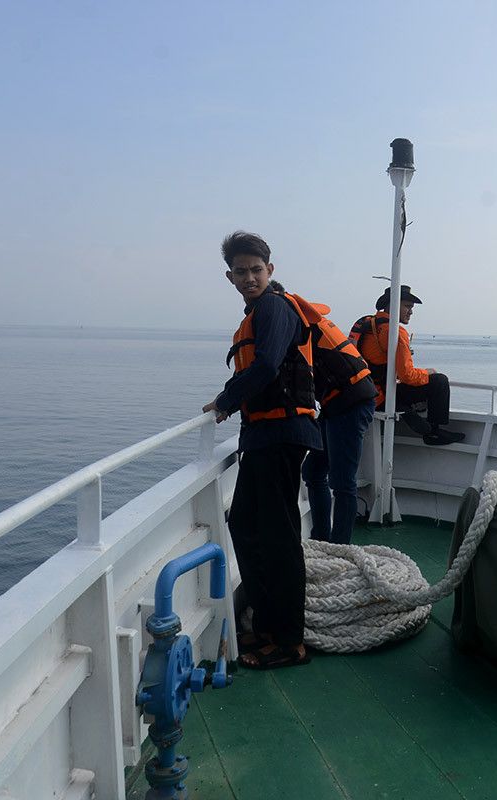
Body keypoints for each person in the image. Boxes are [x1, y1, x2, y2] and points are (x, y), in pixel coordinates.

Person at [202, 231, 320, 670]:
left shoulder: (272, 307)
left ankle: (289, 642)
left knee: (278, 537)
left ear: (270, 271)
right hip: (265, 437)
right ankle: (268, 625)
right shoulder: (257, 310)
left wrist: (226, 400)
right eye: (241, 271)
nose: (249, 277)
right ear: (229, 276)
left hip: (283, 435)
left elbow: (268, 364)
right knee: (248, 527)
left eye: (257, 269)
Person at [260, 280, 378, 545]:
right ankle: (321, 539)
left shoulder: (295, 325)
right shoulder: (302, 321)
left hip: (351, 402)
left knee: (342, 481)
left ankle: (340, 548)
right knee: (313, 472)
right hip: (338, 402)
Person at [350, 285, 464, 446]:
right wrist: (427, 372)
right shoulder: (396, 331)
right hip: (383, 397)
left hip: (365, 394)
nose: (411, 312)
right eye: (407, 306)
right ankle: (434, 432)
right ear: (394, 305)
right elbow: (407, 375)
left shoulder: (368, 324)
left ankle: (406, 409)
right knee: (439, 381)